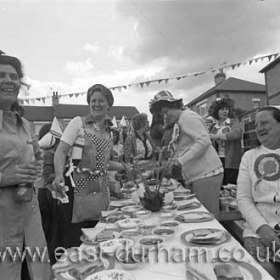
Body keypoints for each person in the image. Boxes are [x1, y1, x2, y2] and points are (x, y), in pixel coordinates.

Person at [53, 84, 124, 249]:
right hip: (76, 189)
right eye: (93, 101)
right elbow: (61, 152)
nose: (96, 104)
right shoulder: (78, 123)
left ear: (109, 105)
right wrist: (58, 175)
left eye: (101, 101)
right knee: (77, 240)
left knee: (99, 236)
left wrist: (125, 167)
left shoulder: (109, 131)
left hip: (100, 190)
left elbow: (103, 164)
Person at [0, 53, 51, 279]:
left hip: (29, 209)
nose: (8, 81)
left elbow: (38, 156)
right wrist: (4, 177)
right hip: (3, 217)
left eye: (13, 76)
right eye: (1, 75)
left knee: (37, 271)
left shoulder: (26, 124)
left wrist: (34, 175)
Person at [150, 90, 223, 216]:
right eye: (162, 114)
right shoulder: (180, 120)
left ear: (175, 105)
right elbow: (185, 146)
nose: (165, 116)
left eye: (166, 112)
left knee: (206, 216)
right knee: (200, 215)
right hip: (199, 175)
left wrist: (180, 161)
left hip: (206, 174)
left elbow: (204, 142)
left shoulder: (188, 117)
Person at [237, 106, 280, 279]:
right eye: (256, 124)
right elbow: (243, 198)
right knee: (263, 269)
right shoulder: (249, 156)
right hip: (258, 229)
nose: (259, 128)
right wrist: (263, 229)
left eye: (264, 123)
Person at [209, 98, 243, 185]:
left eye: (226, 109)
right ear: (216, 111)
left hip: (232, 161)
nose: (225, 112)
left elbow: (237, 134)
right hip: (217, 161)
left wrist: (217, 136)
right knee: (220, 186)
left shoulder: (233, 122)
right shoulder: (213, 127)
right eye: (222, 109)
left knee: (231, 186)